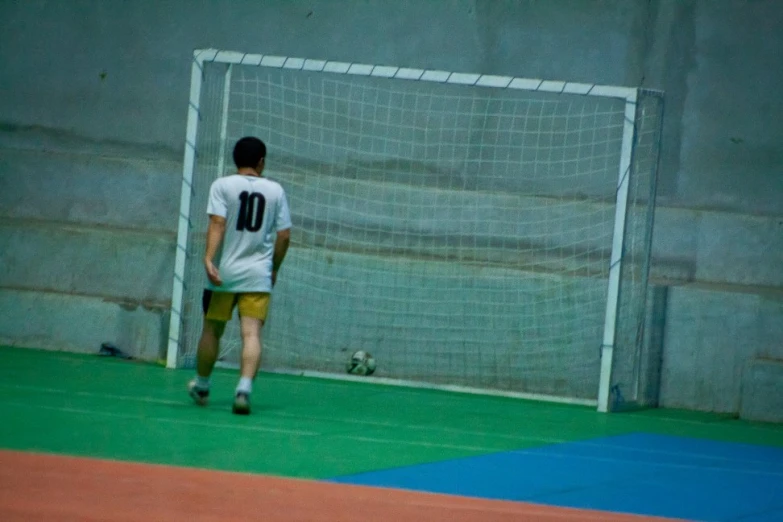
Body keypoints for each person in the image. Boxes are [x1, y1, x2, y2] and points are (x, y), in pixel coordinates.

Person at [188, 136, 291, 415]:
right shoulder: (276, 190)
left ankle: (203, 385)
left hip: (224, 274)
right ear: (261, 162)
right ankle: (244, 389)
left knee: (212, 329)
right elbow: (284, 235)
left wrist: (209, 258)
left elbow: (217, 223)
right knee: (251, 333)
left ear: (236, 160)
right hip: (258, 274)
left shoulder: (222, 185)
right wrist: (274, 268)